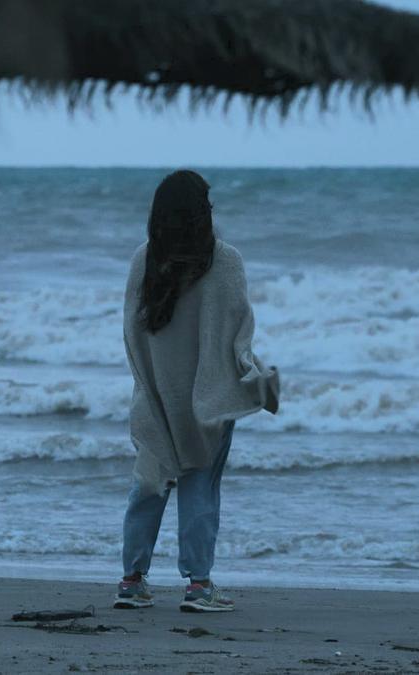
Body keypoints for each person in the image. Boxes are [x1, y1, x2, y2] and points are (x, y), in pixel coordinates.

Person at [114, 170, 279, 613]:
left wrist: (147, 386)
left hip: (157, 396)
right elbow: (236, 334)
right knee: (200, 486)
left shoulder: (143, 259)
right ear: (202, 212)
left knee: (149, 484)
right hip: (206, 398)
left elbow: (131, 333)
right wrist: (251, 374)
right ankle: (198, 586)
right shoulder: (224, 259)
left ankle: (132, 580)